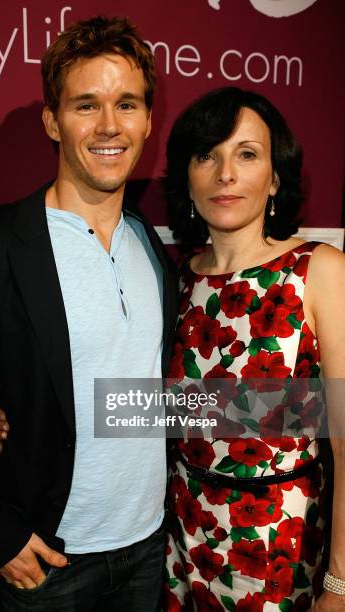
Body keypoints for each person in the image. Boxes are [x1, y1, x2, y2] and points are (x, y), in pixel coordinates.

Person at [0, 16, 178, 612]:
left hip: (149, 550)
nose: (110, 126)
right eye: (86, 105)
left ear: (147, 120)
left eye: (128, 104)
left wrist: (306, 410)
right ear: (52, 120)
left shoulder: (151, 246)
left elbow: (139, 391)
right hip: (47, 561)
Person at [162, 87, 345, 611]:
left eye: (247, 154)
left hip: (276, 557)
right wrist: (44, 415)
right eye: (208, 155)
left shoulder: (319, 271)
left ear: (275, 178)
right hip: (179, 546)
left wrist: (339, 584)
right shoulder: (180, 279)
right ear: (189, 178)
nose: (225, 173)